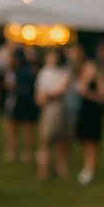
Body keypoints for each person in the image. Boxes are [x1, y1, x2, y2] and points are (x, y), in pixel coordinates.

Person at [34, 48, 72, 181]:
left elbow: (61, 90)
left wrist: (47, 95)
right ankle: (43, 171)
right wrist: (45, 96)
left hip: (60, 108)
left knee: (61, 141)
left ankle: (61, 169)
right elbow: (39, 95)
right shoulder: (44, 73)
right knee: (45, 140)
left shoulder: (63, 72)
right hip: (49, 110)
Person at [74, 57, 104, 184]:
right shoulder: (83, 80)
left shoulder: (100, 81)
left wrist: (97, 81)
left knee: (94, 141)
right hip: (85, 114)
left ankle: (91, 167)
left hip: (95, 115)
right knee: (85, 141)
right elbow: (81, 91)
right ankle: (88, 166)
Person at [3, 47, 39, 163]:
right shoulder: (16, 70)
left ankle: (25, 152)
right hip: (19, 101)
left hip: (27, 101)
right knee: (15, 128)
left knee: (27, 129)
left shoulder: (27, 70)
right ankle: (14, 151)